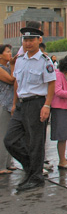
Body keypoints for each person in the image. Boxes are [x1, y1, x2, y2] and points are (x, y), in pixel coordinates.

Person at [3, 26, 56, 191]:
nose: (27, 43)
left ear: (39, 40)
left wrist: (47, 105)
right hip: (21, 104)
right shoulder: (20, 59)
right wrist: (14, 103)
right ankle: (33, 169)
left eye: (31, 39)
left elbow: (51, 83)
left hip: (37, 103)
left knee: (35, 142)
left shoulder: (45, 61)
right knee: (10, 140)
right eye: (25, 40)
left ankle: (35, 177)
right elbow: (17, 81)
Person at [0, 44, 16, 175]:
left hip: (10, 104)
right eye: (7, 52)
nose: (10, 54)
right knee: (3, 135)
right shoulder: (0, 68)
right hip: (3, 104)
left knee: (10, 135)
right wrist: (12, 65)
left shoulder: (6, 67)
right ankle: (1, 165)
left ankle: (9, 163)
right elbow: (12, 80)